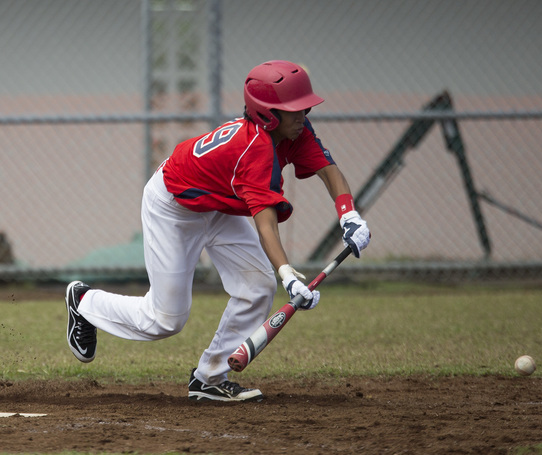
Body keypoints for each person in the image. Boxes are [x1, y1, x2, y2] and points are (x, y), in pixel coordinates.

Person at [65, 60, 370, 402]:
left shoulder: (295, 132)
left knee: (256, 287)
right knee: (165, 320)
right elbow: (265, 223)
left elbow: (329, 171)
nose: (302, 115)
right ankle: (84, 301)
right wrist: (288, 275)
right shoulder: (255, 150)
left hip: (219, 205)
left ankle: (210, 377)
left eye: (304, 108)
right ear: (268, 114)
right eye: (292, 110)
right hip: (174, 207)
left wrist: (350, 215)